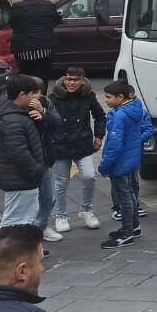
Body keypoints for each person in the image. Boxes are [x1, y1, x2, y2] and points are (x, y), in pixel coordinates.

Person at [47, 68, 105, 237]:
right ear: (64, 80)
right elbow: (48, 121)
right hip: (60, 145)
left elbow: (100, 116)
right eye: (68, 79)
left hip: (82, 144)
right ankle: (61, 215)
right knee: (61, 182)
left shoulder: (88, 96)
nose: (71, 83)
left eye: (75, 80)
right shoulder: (53, 98)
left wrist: (99, 135)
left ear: (82, 81)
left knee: (89, 176)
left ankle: (86, 210)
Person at [0, 74, 52, 229]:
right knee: (14, 221)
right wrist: (36, 170)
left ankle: (22, 251)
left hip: (21, 178)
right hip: (20, 179)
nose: (36, 98)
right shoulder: (13, 120)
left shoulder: (19, 113)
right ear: (22, 94)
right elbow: (18, 152)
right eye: (33, 94)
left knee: (24, 219)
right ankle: (8, 252)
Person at [10, 0, 61, 84]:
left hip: (23, 49)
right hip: (44, 48)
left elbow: (11, 23)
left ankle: (28, 98)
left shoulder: (17, 6)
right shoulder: (48, 5)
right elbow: (55, 21)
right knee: (42, 78)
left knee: (25, 79)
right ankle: (41, 98)